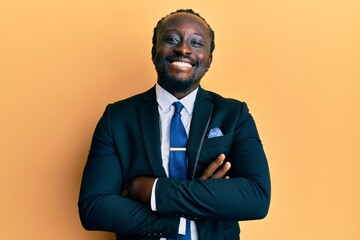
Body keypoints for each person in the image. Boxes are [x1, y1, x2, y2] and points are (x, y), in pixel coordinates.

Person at [78, 9, 271, 240]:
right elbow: (94, 208)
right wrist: (189, 208)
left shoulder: (234, 114)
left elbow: (257, 197)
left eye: (197, 43)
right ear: (154, 52)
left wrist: (154, 191)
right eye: (171, 39)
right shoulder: (117, 118)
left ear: (208, 60)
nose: (183, 49)